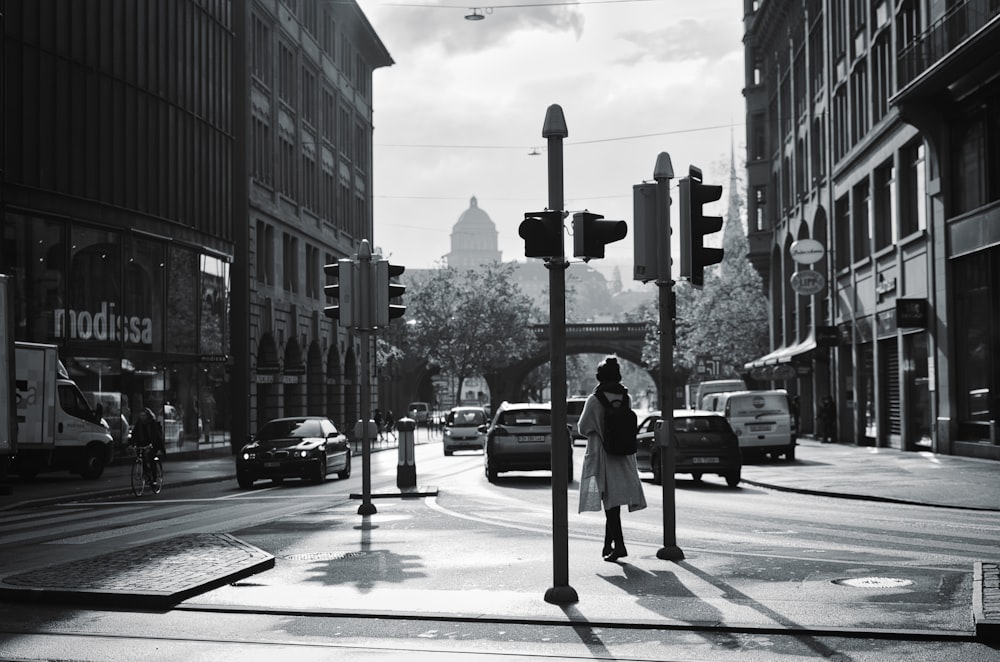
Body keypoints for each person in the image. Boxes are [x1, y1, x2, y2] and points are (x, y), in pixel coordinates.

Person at [577, 355, 647, 562]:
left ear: (600, 377)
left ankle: (620, 545)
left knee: (609, 500)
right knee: (614, 499)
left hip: (602, 454)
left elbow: (583, 428)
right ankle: (608, 544)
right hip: (624, 455)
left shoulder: (595, 400)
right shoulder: (626, 398)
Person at [130, 407, 165, 483]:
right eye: (141, 415)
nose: (142, 417)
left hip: (152, 444)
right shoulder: (139, 423)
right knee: (142, 458)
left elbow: (156, 437)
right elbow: (134, 434)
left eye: (144, 415)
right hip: (143, 443)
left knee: (151, 457)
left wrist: (153, 446)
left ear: (148, 416)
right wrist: (132, 444)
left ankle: (154, 479)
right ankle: (146, 475)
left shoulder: (152, 423)